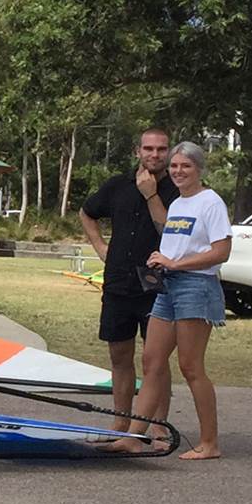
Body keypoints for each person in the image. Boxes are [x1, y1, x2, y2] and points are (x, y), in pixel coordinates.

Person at [124, 142, 230, 459]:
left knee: (190, 366)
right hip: (169, 286)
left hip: (197, 286)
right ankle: (134, 435)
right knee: (152, 360)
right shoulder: (180, 204)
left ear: (199, 169)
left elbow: (221, 251)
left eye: (186, 166)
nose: (178, 171)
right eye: (174, 166)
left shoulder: (210, 202)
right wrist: (163, 260)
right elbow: (177, 242)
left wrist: (176, 264)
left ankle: (210, 443)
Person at [78, 127, 177, 440]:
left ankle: (159, 425)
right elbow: (87, 212)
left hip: (156, 284)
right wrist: (100, 247)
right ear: (138, 151)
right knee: (119, 356)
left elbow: (170, 232)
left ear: (169, 152)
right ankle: (121, 423)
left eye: (161, 150)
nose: (155, 155)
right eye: (149, 149)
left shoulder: (177, 191)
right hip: (119, 280)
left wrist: (150, 194)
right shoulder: (118, 185)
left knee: (155, 358)